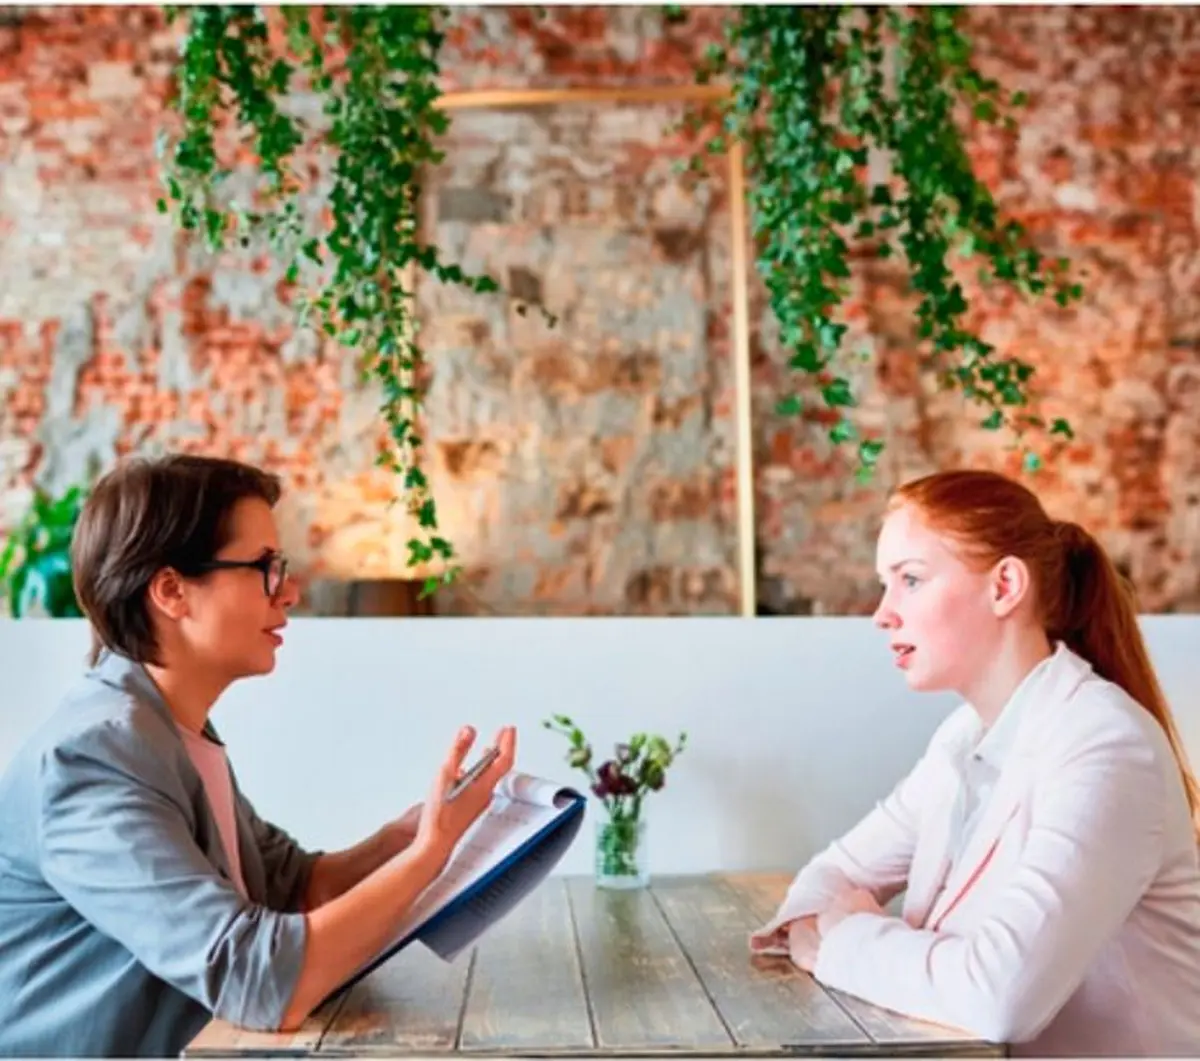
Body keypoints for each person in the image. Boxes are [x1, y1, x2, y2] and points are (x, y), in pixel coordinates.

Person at [0, 453, 517, 1057]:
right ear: (171, 591)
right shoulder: (94, 760)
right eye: (265, 567)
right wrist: (432, 852)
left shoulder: (172, 731)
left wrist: (408, 833)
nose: (290, 592)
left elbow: (294, 887)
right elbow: (260, 981)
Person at [751, 468, 1200, 1056]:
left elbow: (999, 997)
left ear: (1004, 586)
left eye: (910, 580)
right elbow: (822, 884)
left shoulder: (1107, 746)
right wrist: (893, 950)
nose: (882, 613)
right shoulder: (963, 739)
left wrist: (845, 938)